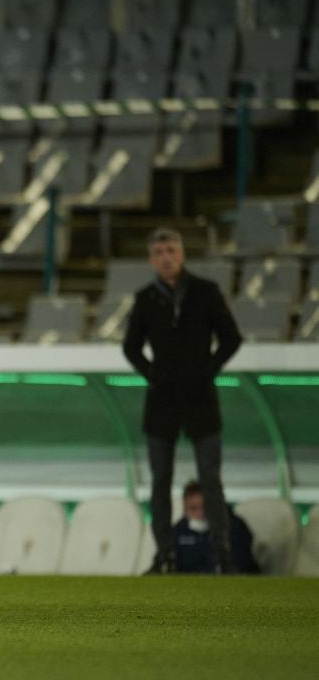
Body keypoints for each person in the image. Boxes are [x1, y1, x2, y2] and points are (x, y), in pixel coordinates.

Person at [122, 228, 242, 574]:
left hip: (201, 398)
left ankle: (221, 554)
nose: (166, 257)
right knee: (160, 480)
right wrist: (152, 374)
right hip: (161, 402)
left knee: (211, 479)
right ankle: (164, 555)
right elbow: (130, 346)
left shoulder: (205, 292)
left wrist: (207, 371)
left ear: (182, 254)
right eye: (159, 251)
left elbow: (232, 338)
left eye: (171, 250)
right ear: (151, 258)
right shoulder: (146, 298)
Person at [173, 480, 259, 574]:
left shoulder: (234, 527)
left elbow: (243, 562)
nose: (201, 513)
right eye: (194, 509)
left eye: (205, 507)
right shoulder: (177, 532)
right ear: (185, 510)